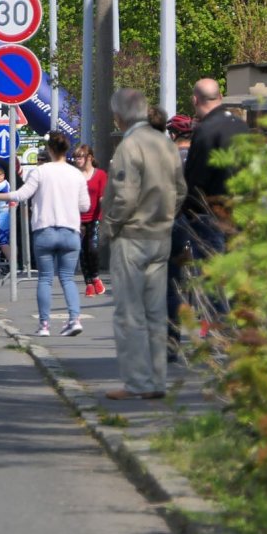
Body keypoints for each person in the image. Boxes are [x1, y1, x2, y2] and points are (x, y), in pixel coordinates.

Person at [100, 88, 186, 400]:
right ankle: (158, 380)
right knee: (156, 310)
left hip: (132, 237)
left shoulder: (129, 146)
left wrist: (109, 227)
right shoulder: (165, 143)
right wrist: (165, 217)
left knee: (129, 313)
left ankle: (137, 382)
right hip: (161, 235)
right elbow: (180, 188)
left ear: (119, 116)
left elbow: (124, 196)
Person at [0, 132, 89, 337]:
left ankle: (44, 325)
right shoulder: (76, 175)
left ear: (49, 150)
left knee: (45, 278)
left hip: (45, 230)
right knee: (67, 278)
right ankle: (74, 319)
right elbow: (85, 205)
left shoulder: (40, 172)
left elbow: (21, 195)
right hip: (70, 231)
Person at [183, 78, 248, 261]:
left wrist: (188, 211)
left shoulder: (205, 131)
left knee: (211, 279)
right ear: (220, 96)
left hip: (210, 216)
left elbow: (196, 178)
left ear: (195, 100)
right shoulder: (241, 126)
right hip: (240, 212)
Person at [165, 114, 194, 361]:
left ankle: (171, 344)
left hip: (172, 222)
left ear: (173, 134)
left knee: (170, 286)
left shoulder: (167, 158)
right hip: (200, 222)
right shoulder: (200, 155)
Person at [72, 144, 108, 296]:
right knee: (81, 250)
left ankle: (95, 277)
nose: (77, 160)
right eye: (76, 157)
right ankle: (89, 283)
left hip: (95, 217)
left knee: (92, 248)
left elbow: (102, 196)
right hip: (77, 218)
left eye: (80, 157)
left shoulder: (100, 174)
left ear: (90, 158)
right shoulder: (74, 175)